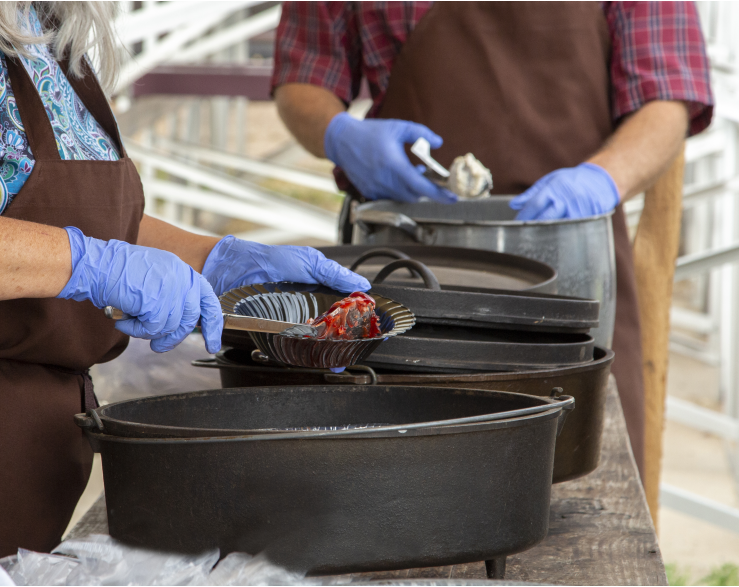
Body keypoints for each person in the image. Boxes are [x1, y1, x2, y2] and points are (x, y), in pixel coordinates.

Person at [0, 1, 369, 558]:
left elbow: (65, 216)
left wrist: (213, 259)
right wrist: (87, 264)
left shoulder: (35, 22)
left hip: (10, 475)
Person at [272, 1, 714, 478]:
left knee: (583, 472)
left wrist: (604, 179)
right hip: (409, 274)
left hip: (572, 274)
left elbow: (668, 98)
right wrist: (339, 134)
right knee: (395, 480)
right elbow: (303, 77)